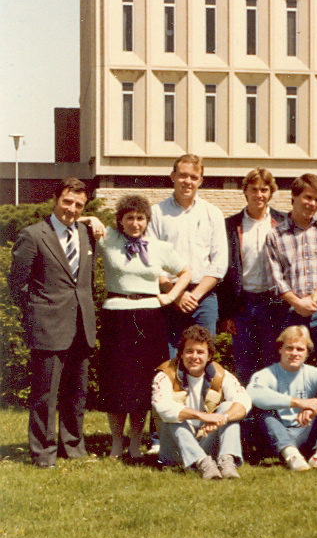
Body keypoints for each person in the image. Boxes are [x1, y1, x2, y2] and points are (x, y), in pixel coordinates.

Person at [10, 178, 97, 467]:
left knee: (76, 392)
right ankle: (44, 453)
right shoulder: (33, 235)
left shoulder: (86, 234)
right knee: (45, 394)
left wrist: (90, 219)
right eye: (67, 201)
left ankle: (72, 447)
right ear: (55, 199)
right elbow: (18, 285)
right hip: (48, 325)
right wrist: (37, 313)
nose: (71, 209)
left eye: (79, 205)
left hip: (81, 323)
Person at [97, 194, 191, 459]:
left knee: (142, 383)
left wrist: (171, 297)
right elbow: (81, 222)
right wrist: (92, 217)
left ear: (147, 220)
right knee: (116, 382)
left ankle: (136, 443)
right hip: (117, 316)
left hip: (150, 318)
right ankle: (117, 443)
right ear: (120, 220)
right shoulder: (109, 239)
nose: (135, 223)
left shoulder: (159, 247)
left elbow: (186, 272)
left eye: (140, 218)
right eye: (129, 218)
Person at [266, 174, 317, 377]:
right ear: (294, 196)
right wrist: (297, 303)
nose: (312, 204)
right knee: (289, 372)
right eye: (307, 197)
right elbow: (275, 278)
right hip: (289, 313)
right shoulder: (276, 235)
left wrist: (312, 299)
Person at [148, 154, 228, 354]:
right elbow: (151, 262)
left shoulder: (213, 213)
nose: (188, 181)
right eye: (183, 175)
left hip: (204, 298)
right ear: (172, 176)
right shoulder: (156, 213)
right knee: (168, 359)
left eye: (193, 177)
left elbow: (219, 263)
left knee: (202, 358)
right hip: (168, 295)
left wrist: (194, 295)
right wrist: (177, 295)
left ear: (200, 180)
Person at [248, 325, 317, 472]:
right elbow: (255, 394)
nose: (294, 353)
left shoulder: (314, 373)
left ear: (307, 353)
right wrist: (300, 402)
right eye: (289, 348)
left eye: (300, 349)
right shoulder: (267, 374)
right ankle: (291, 456)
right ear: (280, 349)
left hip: (304, 431)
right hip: (276, 434)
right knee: (264, 411)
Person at [151, 326, 252, 480]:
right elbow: (163, 407)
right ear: (181, 354)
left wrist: (222, 418)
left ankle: (227, 461)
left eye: (200, 352)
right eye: (189, 351)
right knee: (175, 416)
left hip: (205, 441)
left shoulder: (220, 375)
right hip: (175, 448)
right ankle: (202, 462)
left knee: (228, 409)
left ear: (209, 355)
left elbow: (244, 402)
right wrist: (203, 416)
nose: (194, 357)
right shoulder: (165, 375)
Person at [217, 168, 288, 383]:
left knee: (272, 362)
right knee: (244, 365)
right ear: (245, 192)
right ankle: (246, 414)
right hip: (243, 305)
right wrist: (227, 314)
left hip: (274, 304)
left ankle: (269, 414)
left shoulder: (283, 222)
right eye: (254, 189)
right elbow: (224, 271)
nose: (259, 195)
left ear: (271, 192)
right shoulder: (230, 225)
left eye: (264, 190)